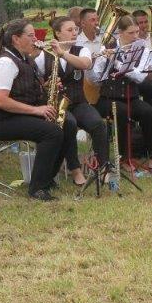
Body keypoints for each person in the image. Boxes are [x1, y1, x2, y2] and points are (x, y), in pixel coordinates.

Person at [0, 19, 78, 201]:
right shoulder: (6, 62)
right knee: (51, 132)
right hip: (3, 120)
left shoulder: (25, 58)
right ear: (16, 39)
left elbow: (26, 88)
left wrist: (48, 85)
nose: (36, 39)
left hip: (16, 116)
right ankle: (37, 188)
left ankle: (48, 178)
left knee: (67, 125)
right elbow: (0, 100)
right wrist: (36, 111)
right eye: (31, 35)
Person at [33, 16, 114, 185]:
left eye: (75, 29)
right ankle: (75, 169)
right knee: (68, 124)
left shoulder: (81, 49)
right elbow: (37, 79)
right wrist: (46, 84)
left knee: (99, 124)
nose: (74, 33)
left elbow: (85, 64)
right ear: (57, 33)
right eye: (69, 30)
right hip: (56, 105)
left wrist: (62, 53)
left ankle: (103, 168)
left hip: (78, 102)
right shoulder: (43, 54)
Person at [89, 15, 152, 171]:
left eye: (136, 32)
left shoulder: (143, 49)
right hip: (107, 98)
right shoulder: (106, 48)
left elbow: (140, 77)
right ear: (120, 33)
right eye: (131, 33)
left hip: (131, 96)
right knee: (121, 111)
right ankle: (124, 157)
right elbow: (95, 79)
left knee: (148, 111)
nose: (135, 36)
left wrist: (118, 64)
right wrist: (101, 60)